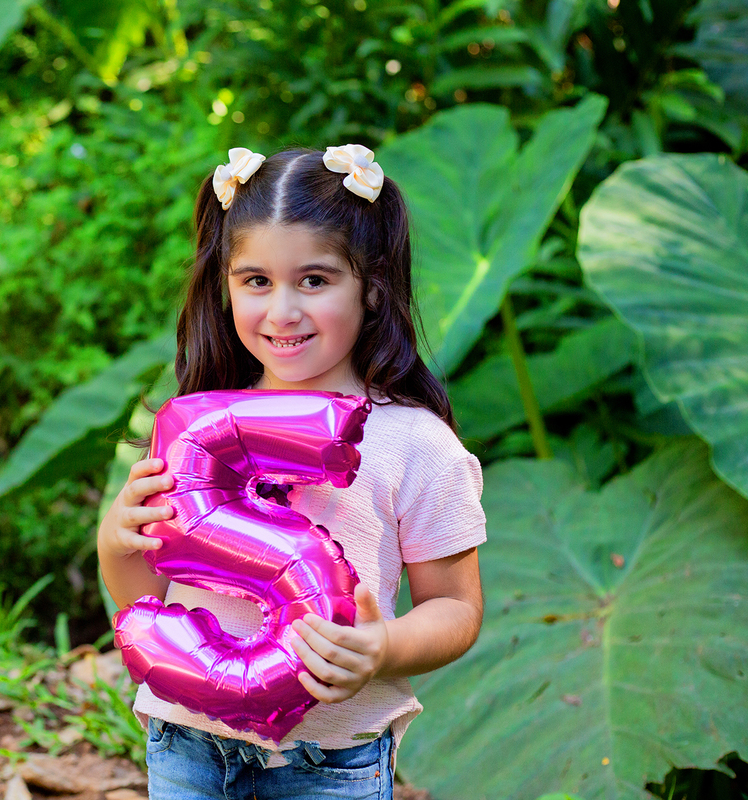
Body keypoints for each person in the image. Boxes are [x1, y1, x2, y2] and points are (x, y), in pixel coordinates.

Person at [97, 145, 487, 800]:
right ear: (224, 287)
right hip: (186, 747)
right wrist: (116, 542)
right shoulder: (196, 434)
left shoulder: (414, 444)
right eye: (256, 281)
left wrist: (383, 646)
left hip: (330, 765)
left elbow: (456, 606)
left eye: (314, 280)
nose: (282, 311)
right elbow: (145, 594)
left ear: (371, 286)